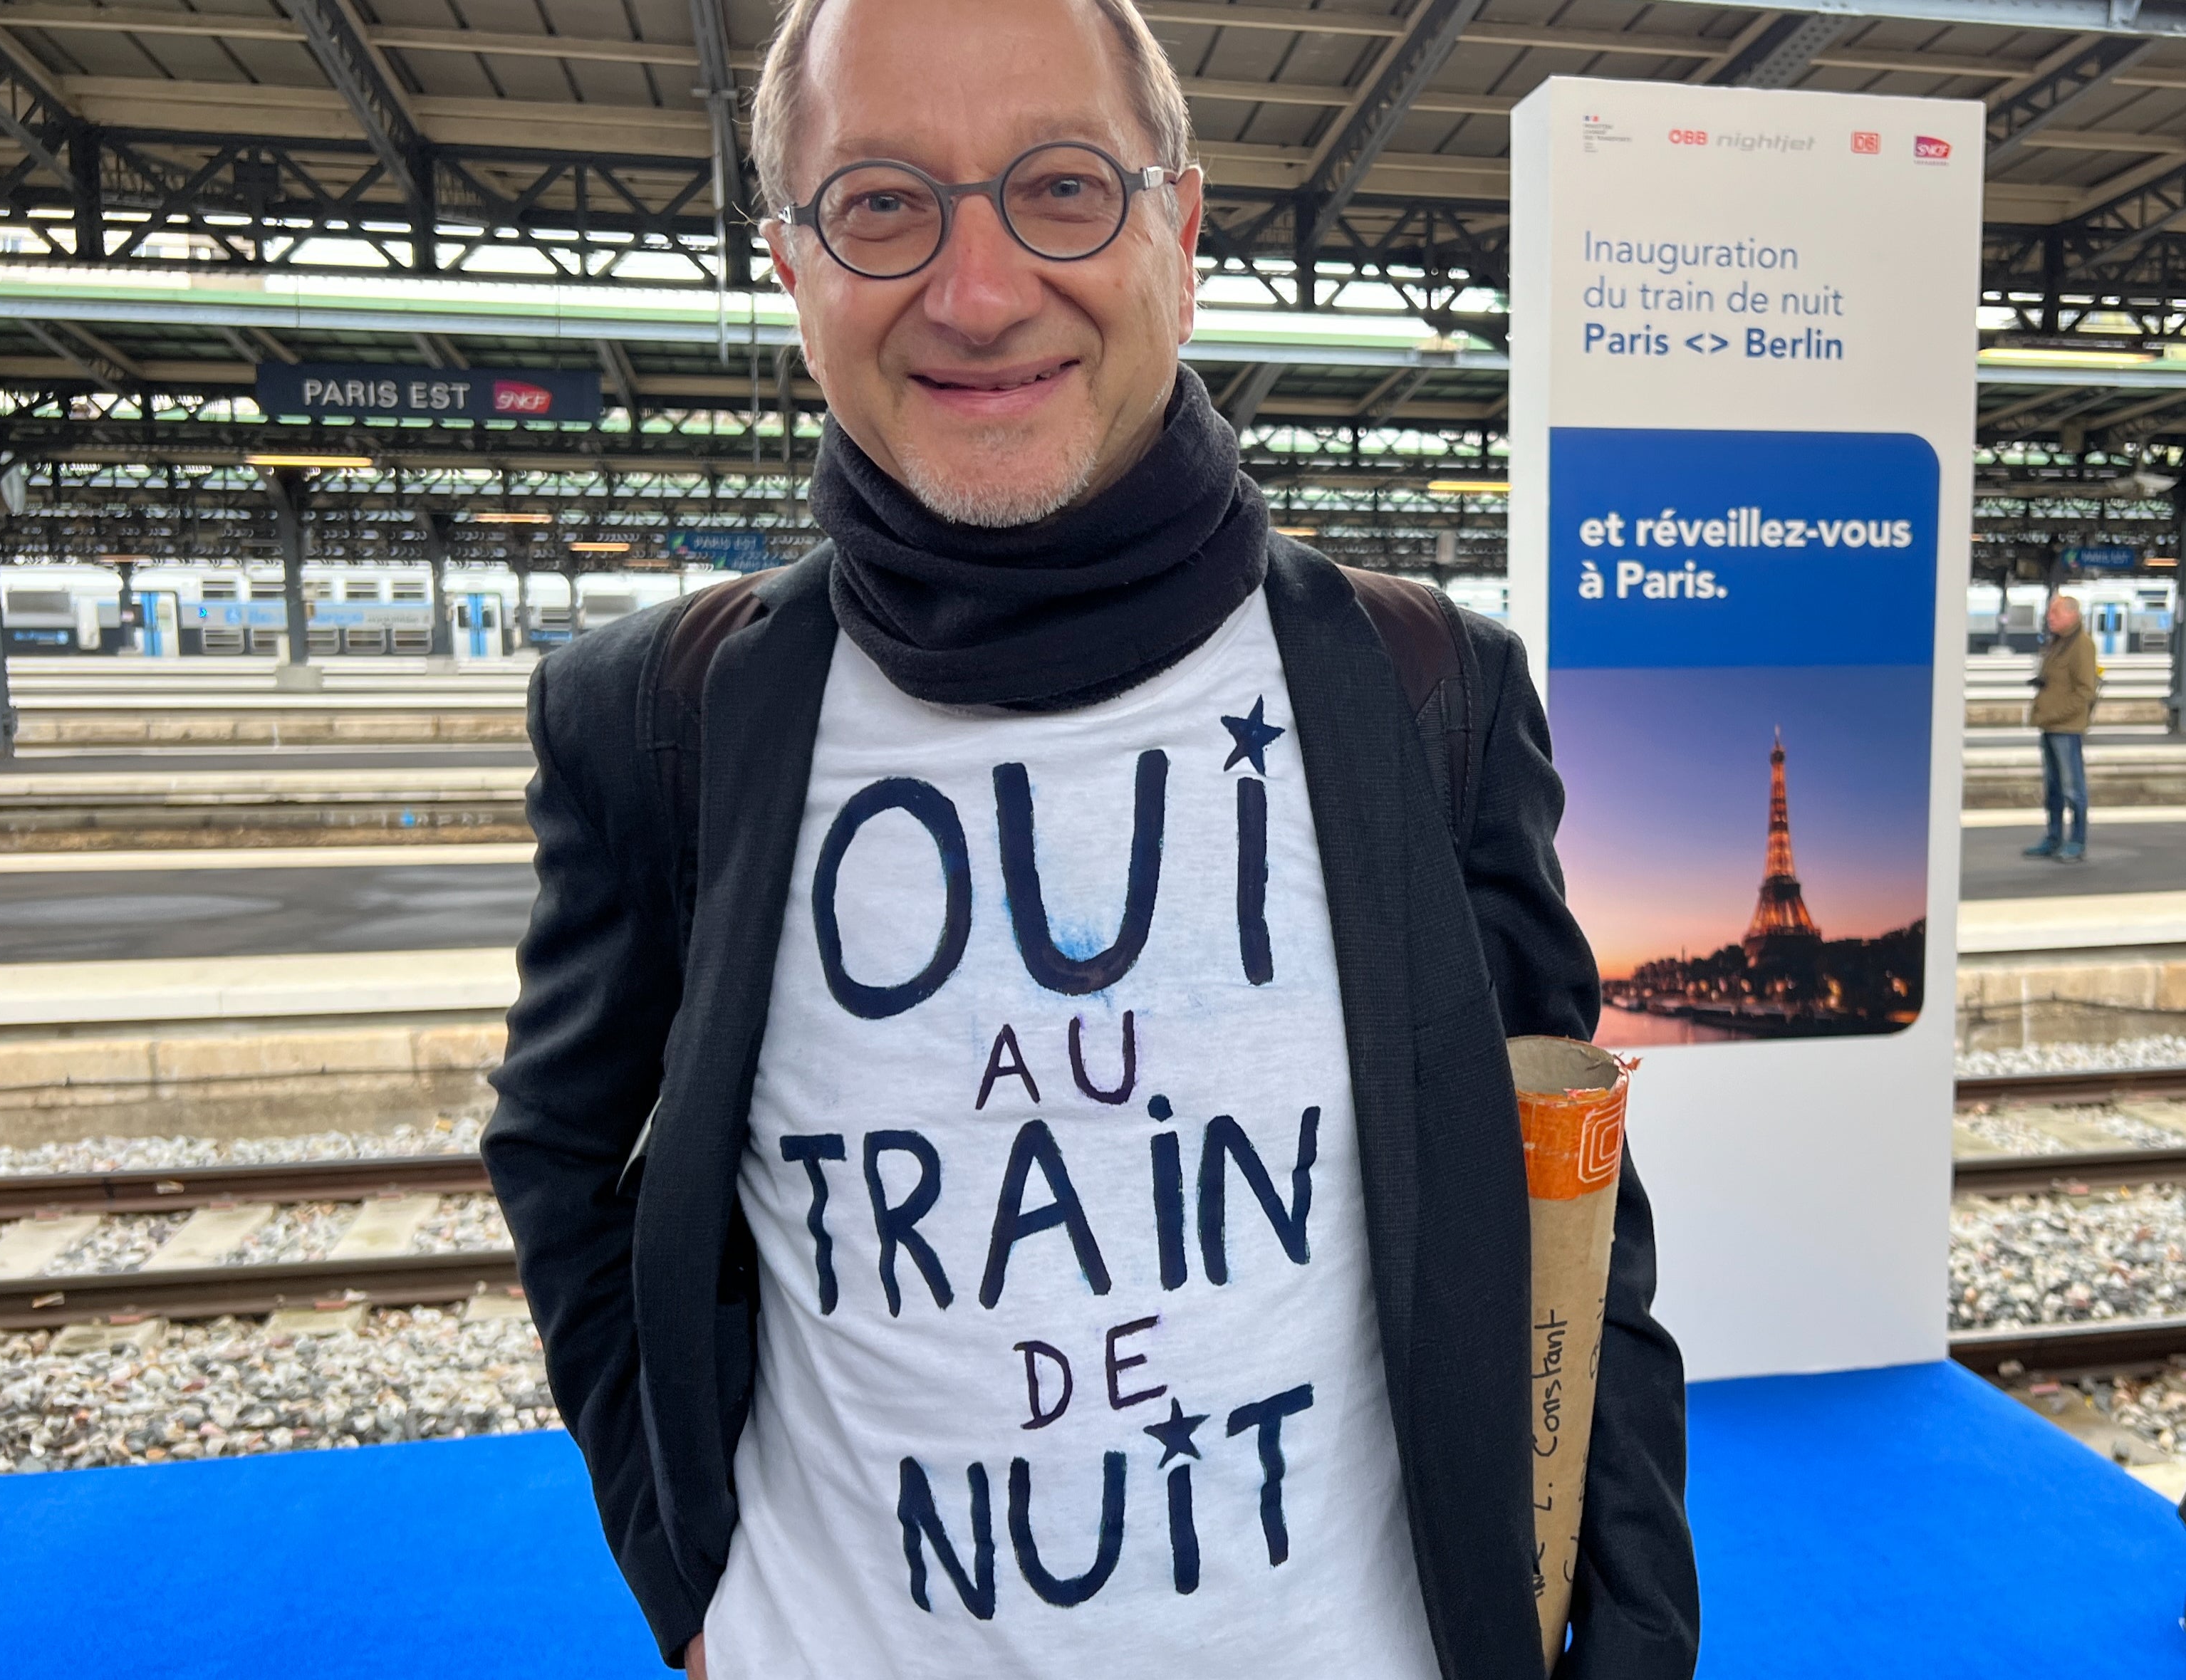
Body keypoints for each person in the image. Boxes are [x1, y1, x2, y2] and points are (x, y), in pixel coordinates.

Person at [482, 1, 1698, 1675]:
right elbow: (561, 1154)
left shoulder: (1429, 702)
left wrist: (1627, 1644)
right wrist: (700, 1587)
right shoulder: (660, 726)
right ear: (790, 264)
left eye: (1059, 188)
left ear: (1177, 230)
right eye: (883, 203)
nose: (977, 295)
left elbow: (1573, 1213)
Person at [2024, 592, 2099, 862]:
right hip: (2050, 726)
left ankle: (2077, 841)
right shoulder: (2058, 644)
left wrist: (2056, 713)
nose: (2049, 618)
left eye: (2055, 613)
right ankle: (2053, 837)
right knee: (2053, 787)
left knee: (2073, 788)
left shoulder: (2082, 646)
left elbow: (2085, 691)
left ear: (2072, 615)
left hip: (2066, 728)